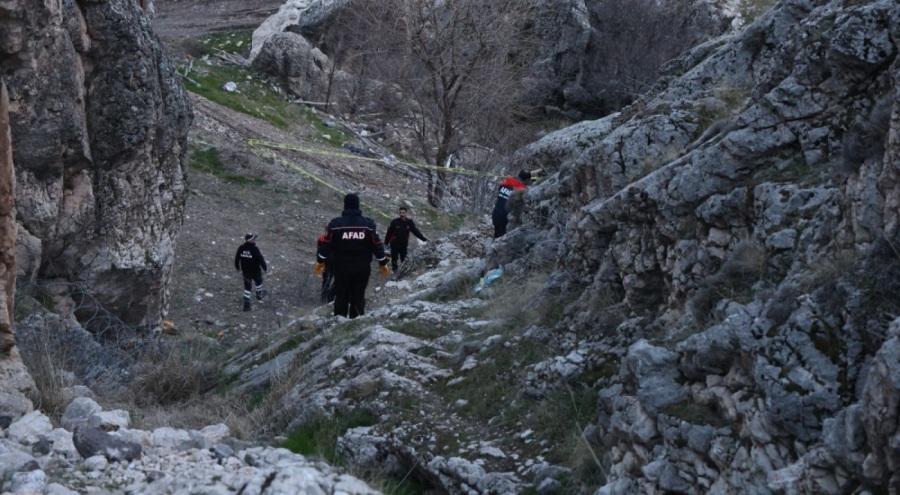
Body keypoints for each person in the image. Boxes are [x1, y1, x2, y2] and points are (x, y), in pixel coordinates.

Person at [315, 193, 389, 318]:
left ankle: (340, 323)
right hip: (362, 268)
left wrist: (320, 260)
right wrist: (382, 262)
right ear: (358, 205)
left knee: (341, 296)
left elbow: (326, 244)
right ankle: (356, 324)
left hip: (342, 268)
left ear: (345, 205)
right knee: (358, 296)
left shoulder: (335, 224)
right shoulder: (368, 225)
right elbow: (377, 245)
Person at [384, 207, 428, 273]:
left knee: (404, 260)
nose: (402, 214)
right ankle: (395, 273)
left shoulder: (409, 222)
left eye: (403, 213)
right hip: (394, 245)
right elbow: (388, 233)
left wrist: (423, 239)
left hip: (404, 245)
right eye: (401, 213)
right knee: (394, 260)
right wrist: (386, 244)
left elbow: (415, 231)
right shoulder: (394, 222)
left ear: (406, 213)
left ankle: (402, 273)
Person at [491, 170, 531, 238]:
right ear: (527, 180)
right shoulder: (522, 191)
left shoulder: (504, 182)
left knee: (497, 236)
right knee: (503, 240)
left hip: (495, 215)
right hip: (506, 219)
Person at [234, 233, 267, 312]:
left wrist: (237, 267)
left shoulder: (241, 248)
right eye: (254, 239)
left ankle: (246, 306)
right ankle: (259, 295)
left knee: (247, 288)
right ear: (250, 240)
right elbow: (260, 259)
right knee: (258, 282)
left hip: (246, 272)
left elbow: (236, 259)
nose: (255, 240)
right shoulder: (255, 249)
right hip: (256, 271)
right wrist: (265, 268)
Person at [316, 230, 335, 304]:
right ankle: (330, 297)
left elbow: (319, 251)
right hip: (335, 261)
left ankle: (324, 297)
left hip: (325, 260)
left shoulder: (322, 238)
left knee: (326, 278)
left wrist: (318, 264)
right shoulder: (339, 238)